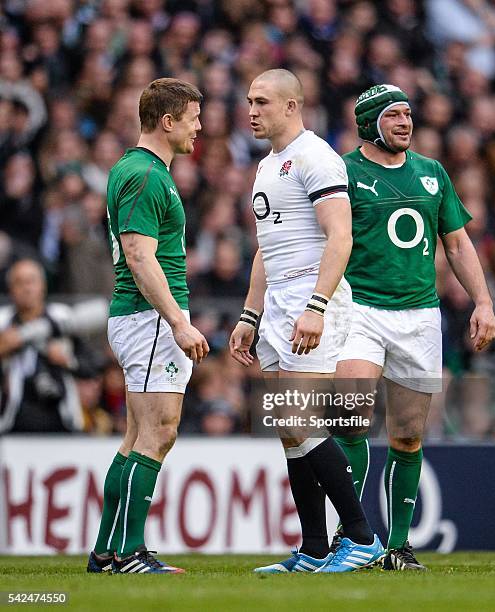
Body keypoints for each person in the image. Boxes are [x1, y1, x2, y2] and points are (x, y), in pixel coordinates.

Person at [333, 84, 495, 570]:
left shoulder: (432, 174)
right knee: (350, 418)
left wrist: (483, 301)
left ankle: (398, 548)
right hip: (359, 311)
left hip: (419, 316)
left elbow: (459, 243)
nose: (406, 122)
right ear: (368, 124)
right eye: (393, 115)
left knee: (407, 437)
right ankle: (351, 532)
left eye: (408, 114)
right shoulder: (341, 172)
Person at [229, 69, 383, 574]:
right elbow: (265, 250)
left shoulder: (317, 156)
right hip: (276, 304)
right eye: (250, 101)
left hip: (312, 301)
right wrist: (250, 314)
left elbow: (340, 237)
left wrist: (317, 305)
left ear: (292, 105)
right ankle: (315, 548)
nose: (252, 110)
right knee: (289, 431)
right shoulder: (266, 166)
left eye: (262, 101)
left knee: (302, 419)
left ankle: (361, 538)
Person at [88, 78, 209, 575]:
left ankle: (106, 552)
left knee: (137, 435)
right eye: (193, 118)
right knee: (158, 432)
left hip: (140, 317)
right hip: (150, 318)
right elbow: (138, 254)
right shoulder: (145, 174)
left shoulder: (134, 169)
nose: (199, 127)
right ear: (167, 121)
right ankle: (129, 554)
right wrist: (178, 321)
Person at [0, 259, 87, 433]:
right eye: (19, 283)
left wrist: (67, 360)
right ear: (10, 290)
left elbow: (91, 366)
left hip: (61, 420)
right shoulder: (3, 322)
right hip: (11, 422)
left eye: (31, 281)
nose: (26, 288)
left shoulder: (62, 318)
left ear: (43, 285)